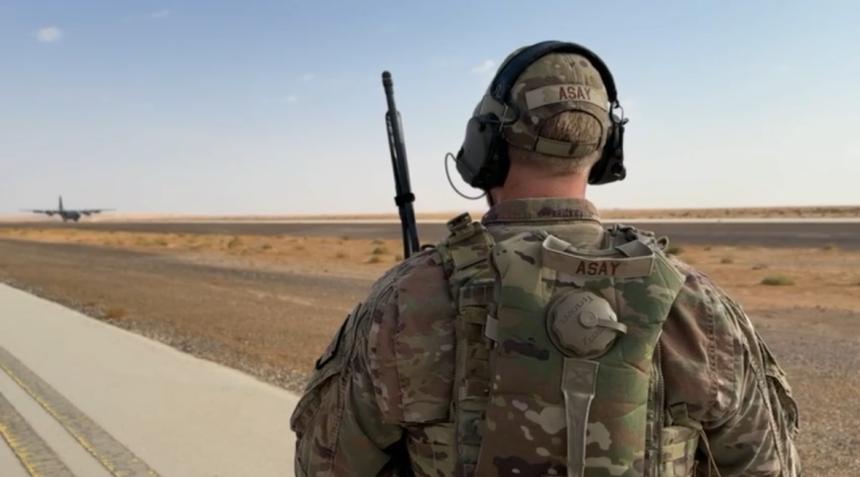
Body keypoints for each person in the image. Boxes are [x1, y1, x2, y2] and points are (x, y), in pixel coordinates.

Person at [291, 41, 800, 477]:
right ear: (604, 150)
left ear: (484, 146)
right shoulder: (697, 305)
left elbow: (324, 464)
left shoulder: (410, 297)